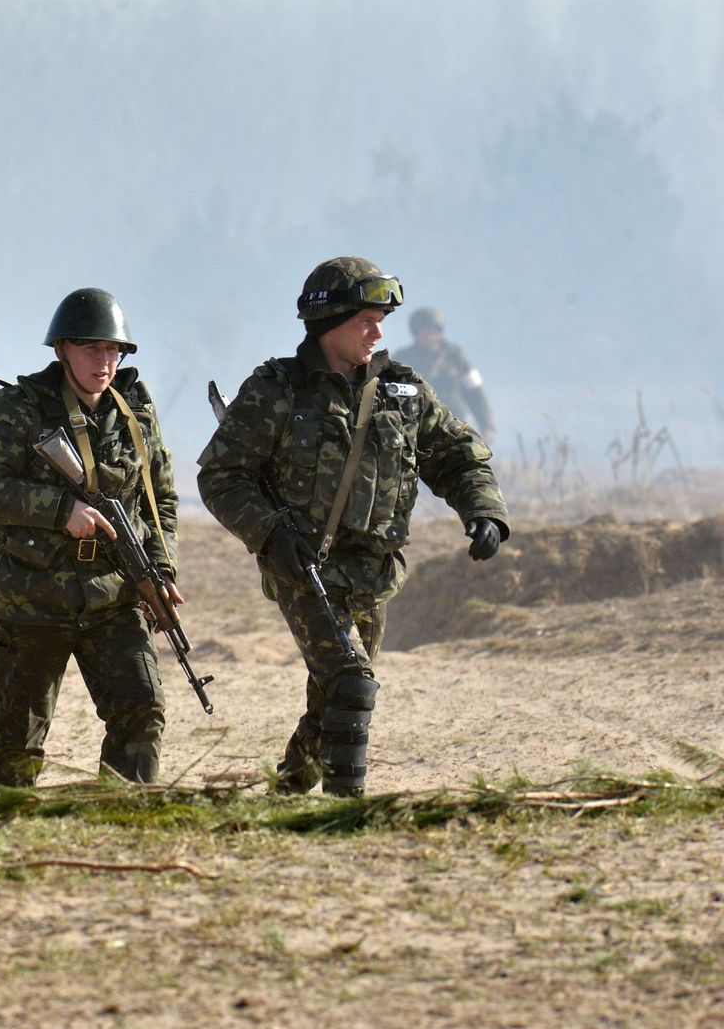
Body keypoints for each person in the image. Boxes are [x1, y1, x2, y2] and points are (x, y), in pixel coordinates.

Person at [198, 257, 510, 797]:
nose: (378, 332)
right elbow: (222, 476)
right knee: (352, 682)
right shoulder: (278, 389)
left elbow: (458, 457)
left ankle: (288, 792)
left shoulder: (403, 391)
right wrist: (270, 534)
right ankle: (348, 809)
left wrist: (484, 511)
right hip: (304, 568)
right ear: (328, 323)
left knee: (333, 696)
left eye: (381, 320)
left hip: (375, 572)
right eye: (366, 320)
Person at [0, 289, 181, 789]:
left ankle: (120, 820)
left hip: (113, 596)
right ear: (62, 349)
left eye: (113, 350)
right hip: (33, 600)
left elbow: (160, 502)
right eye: (91, 349)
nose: (104, 362)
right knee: (15, 742)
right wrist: (60, 510)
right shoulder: (20, 409)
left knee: (143, 712)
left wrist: (161, 570)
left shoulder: (135, 417)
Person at [391, 306, 495, 445]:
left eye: (433, 332)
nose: (430, 337)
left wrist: (487, 425)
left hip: (454, 427)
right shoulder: (403, 359)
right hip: (418, 430)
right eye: (424, 333)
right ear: (415, 334)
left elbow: (475, 392)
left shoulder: (455, 357)